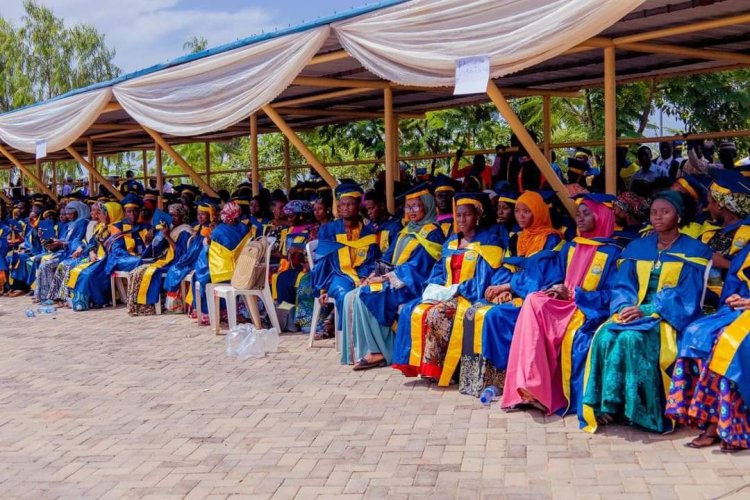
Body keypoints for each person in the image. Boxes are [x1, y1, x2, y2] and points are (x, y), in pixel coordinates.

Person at [581, 191, 713, 434]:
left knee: (633, 339)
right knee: (606, 335)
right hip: (632, 311)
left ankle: (640, 411)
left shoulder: (695, 250)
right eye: (653, 212)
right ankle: (609, 406)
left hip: (665, 316)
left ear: (679, 216)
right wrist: (623, 308)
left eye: (665, 212)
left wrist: (647, 310)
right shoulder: (637, 247)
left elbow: (688, 295)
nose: (658, 217)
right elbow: (623, 285)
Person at [500, 194, 621, 415]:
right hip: (565, 304)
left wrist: (575, 294)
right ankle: (529, 386)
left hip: (588, 308)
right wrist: (556, 290)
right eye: (578, 214)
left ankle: (538, 388)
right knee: (534, 300)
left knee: (535, 308)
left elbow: (613, 295)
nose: (580, 218)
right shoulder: (572, 246)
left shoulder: (614, 253)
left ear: (601, 216)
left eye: (587, 213)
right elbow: (557, 278)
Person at [391, 192, 503, 386]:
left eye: (467, 215)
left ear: (478, 216)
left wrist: (456, 290)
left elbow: (483, 279)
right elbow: (439, 272)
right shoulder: (451, 242)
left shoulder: (488, 241)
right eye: (458, 215)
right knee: (412, 308)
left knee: (436, 314)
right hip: (446, 292)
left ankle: (441, 369)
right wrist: (434, 288)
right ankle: (417, 365)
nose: (461, 219)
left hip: (467, 295)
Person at [459, 191, 563, 397]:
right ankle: (479, 380)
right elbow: (505, 268)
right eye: (518, 211)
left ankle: (507, 378)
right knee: (474, 311)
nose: (521, 216)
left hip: (534, 297)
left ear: (538, 212)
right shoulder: (517, 237)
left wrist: (508, 287)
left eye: (527, 211)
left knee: (495, 316)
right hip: (512, 292)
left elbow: (540, 277)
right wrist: (498, 289)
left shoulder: (551, 238)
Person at [341, 186, 445, 369]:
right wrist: (374, 274)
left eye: (416, 206)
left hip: (414, 283)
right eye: (407, 207)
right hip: (396, 279)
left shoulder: (432, 232)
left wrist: (386, 279)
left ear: (427, 206)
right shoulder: (406, 230)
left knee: (369, 294)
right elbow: (387, 257)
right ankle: (364, 349)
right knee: (352, 295)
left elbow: (419, 266)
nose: (410, 211)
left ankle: (382, 351)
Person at [667, 244, 750, 451]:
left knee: (728, 343)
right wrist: (734, 298)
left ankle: (730, 427)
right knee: (696, 333)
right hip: (741, 312)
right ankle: (711, 418)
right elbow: (735, 283)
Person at [312, 184, 380, 338]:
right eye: (342, 204)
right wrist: (323, 289)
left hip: (361, 276)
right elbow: (322, 262)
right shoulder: (328, 230)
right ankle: (348, 339)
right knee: (346, 295)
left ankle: (368, 337)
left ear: (358, 206)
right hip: (335, 276)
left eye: (350, 204)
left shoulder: (367, 232)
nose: (345, 208)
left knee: (374, 292)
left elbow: (371, 259)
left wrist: (364, 277)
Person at [126, 202, 193, 316]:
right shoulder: (172, 228)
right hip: (166, 259)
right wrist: (157, 235)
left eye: (175, 215)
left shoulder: (185, 231)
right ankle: (137, 306)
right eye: (170, 215)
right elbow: (155, 247)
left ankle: (148, 306)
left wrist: (167, 236)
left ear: (183, 216)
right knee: (135, 271)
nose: (172, 218)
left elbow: (181, 252)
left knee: (144, 273)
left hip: (176, 262)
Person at [192, 201, 250, 325]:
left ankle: (207, 313)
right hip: (242, 271)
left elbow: (210, 250)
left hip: (224, 274)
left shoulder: (218, 230)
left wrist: (207, 239)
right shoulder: (245, 228)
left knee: (200, 276)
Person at [163, 199, 217, 312]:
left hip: (201, 261)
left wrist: (186, 259)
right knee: (175, 268)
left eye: (203, 214)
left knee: (176, 269)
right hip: (194, 258)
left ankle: (179, 305)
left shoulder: (208, 230)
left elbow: (198, 250)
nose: (199, 217)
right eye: (198, 214)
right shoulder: (201, 228)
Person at [33, 201, 90, 303]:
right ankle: (43, 295)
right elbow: (63, 239)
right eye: (66, 214)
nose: (68, 216)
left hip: (74, 253)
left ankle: (53, 296)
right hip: (64, 252)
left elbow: (78, 241)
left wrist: (62, 243)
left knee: (47, 265)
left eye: (70, 214)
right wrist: (52, 241)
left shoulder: (83, 223)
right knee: (43, 264)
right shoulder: (70, 224)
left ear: (79, 211)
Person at [363, 189, 403, 254]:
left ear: (382, 206)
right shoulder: (370, 225)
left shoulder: (395, 227)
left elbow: (393, 254)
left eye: (371, 208)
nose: (368, 213)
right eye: (367, 209)